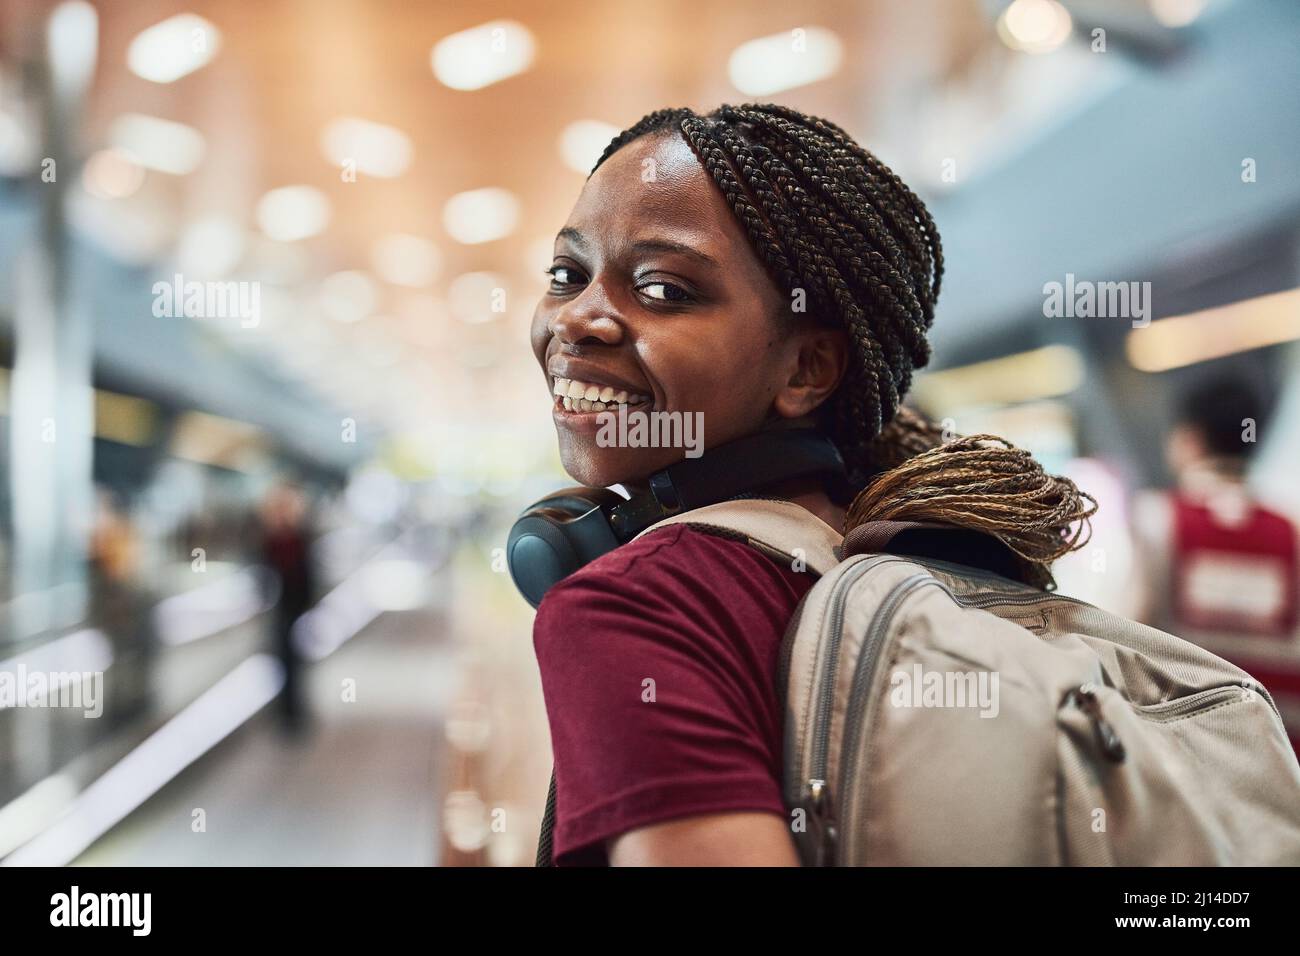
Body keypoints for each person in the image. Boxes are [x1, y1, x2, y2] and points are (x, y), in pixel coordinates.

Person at [528, 104, 1095, 866]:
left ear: (805, 370)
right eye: (567, 274)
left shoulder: (639, 605)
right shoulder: (901, 554)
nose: (581, 318)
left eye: (664, 290)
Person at [1130, 377, 1300, 745]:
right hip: (1284, 761)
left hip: (1191, 757)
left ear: (1188, 439)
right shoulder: (1293, 531)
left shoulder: (1157, 522)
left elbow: (1125, 638)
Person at [259, 481, 316, 735]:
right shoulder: (270, 540)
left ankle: (293, 713)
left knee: (295, 663)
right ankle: (284, 712)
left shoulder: (299, 539)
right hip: (278, 610)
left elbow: (307, 576)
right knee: (281, 662)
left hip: (295, 609)